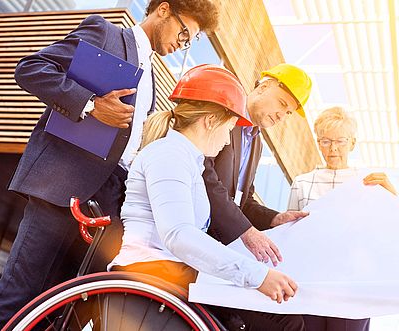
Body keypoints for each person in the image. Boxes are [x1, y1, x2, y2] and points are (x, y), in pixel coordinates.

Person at [0, 1, 220, 327]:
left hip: (103, 206)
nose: (181, 44)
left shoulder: (151, 79)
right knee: (20, 296)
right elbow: (31, 68)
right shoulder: (105, 33)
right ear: (162, 10)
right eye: (184, 32)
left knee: (56, 308)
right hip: (62, 190)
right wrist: (90, 104)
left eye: (189, 42)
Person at [110, 64, 305, 331]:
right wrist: (258, 275)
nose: (227, 141)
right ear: (211, 121)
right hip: (155, 272)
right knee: (282, 320)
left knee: (282, 317)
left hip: (177, 271)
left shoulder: (186, 160)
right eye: (229, 129)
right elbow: (179, 234)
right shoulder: (169, 155)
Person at [287, 106, 397, 331]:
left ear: (353, 143)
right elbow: (289, 234)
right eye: (325, 141)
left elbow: (388, 229)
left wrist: (392, 194)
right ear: (318, 143)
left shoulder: (369, 182)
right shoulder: (302, 183)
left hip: (353, 285)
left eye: (341, 141)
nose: (333, 149)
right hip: (311, 282)